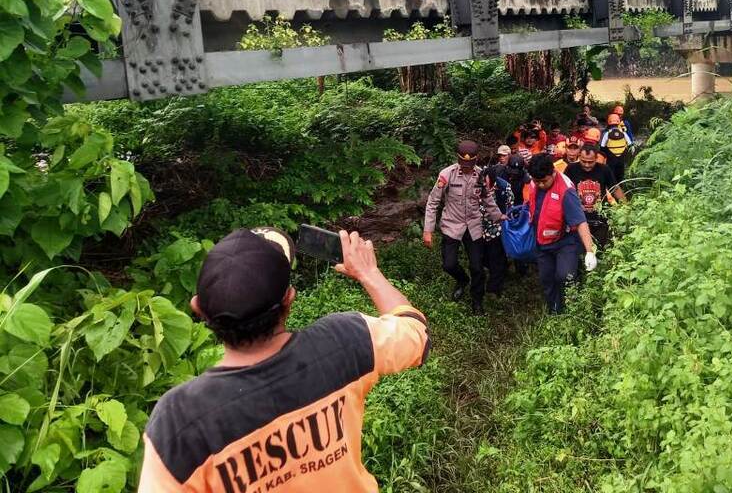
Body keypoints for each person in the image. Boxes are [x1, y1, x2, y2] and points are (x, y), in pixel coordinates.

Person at [138, 226, 429, 493]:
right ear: (289, 299)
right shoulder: (346, 341)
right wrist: (369, 273)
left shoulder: (179, 419)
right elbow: (417, 334)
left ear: (198, 309)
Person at [423, 140, 502, 315]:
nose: (466, 167)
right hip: (452, 225)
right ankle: (462, 280)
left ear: (475, 160)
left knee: (477, 267)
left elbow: (487, 199)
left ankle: (477, 302)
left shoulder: (480, 175)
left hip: (473, 227)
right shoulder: (447, 174)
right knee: (448, 264)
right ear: (458, 159)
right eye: (463, 164)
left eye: (470, 164)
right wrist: (428, 230)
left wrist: (498, 216)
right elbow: (433, 201)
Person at [526, 154, 596, 313]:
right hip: (542, 242)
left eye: (544, 181)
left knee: (565, 275)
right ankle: (555, 311)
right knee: (547, 279)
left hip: (565, 241)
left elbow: (580, 221)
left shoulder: (566, 190)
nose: (541, 185)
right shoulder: (534, 183)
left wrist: (589, 251)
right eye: (537, 181)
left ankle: (574, 306)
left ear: (553, 173)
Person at [565, 144, 626, 248]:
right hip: (579, 219)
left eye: (590, 162)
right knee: (579, 251)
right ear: (579, 156)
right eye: (583, 161)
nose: (587, 165)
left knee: (599, 250)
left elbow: (615, 189)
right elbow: (563, 190)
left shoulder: (604, 169)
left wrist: (626, 207)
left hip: (600, 219)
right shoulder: (571, 169)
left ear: (596, 158)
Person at [479, 167, 513, 297]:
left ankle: (493, 289)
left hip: (496, 230)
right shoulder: (475, 186)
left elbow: (510, 205)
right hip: (478, 229)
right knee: (482, 259)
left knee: (496, 260)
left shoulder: (504, 188)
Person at [600, 115, 632, 183]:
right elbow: (629, 144)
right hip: (621, 157)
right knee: (620, 173)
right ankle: (620, 186)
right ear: (618, 123)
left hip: (611, 157)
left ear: (608, 123)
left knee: (611, 172)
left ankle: (611, 187)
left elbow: (602, 146)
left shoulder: (607, 133)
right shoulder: (623, 132)